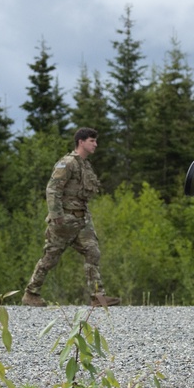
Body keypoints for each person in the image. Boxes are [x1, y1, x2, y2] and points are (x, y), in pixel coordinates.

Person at [22, 127, 121, 307]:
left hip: (82, 220)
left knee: (93, 252)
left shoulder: (85, 165)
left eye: (95, 141)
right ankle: (31, 293)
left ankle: (97, 296)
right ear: (81, 142)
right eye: (92, 141)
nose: (95, 145)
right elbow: (52, 189)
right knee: (50, 257)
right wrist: (56, 214)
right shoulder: (67, 163)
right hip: (65, 221)